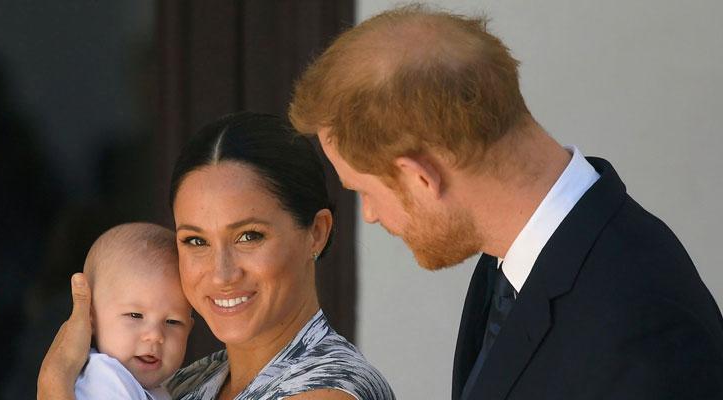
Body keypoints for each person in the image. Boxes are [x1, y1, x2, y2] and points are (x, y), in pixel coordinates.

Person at [288, 5, 723, 400]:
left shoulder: (643, 333)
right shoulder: (514, 258)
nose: (371, 214)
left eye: (364, 191)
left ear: (421, 177)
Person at [38, 113, 395, 400]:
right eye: (196, 241)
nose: (221, 274)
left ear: (316, 232)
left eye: (249, 236)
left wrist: (55, 383)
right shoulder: (187, 382)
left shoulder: (327, 390)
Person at [75, 222, 193, 400]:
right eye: (135, 315)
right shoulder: (105, 380)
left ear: (189, 330)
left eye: (173, 322)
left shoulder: (151, 387)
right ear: (91, 317)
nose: (155, 335)